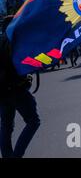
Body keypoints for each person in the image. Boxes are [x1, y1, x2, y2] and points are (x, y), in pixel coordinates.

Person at [0, 16, 41, 158]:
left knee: (6, 126)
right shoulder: (14, 42)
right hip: (16, 89)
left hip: (2, 92)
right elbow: (21, 65)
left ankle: (7, 155)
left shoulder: (2, 41)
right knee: (33, 121)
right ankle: (16, 156)